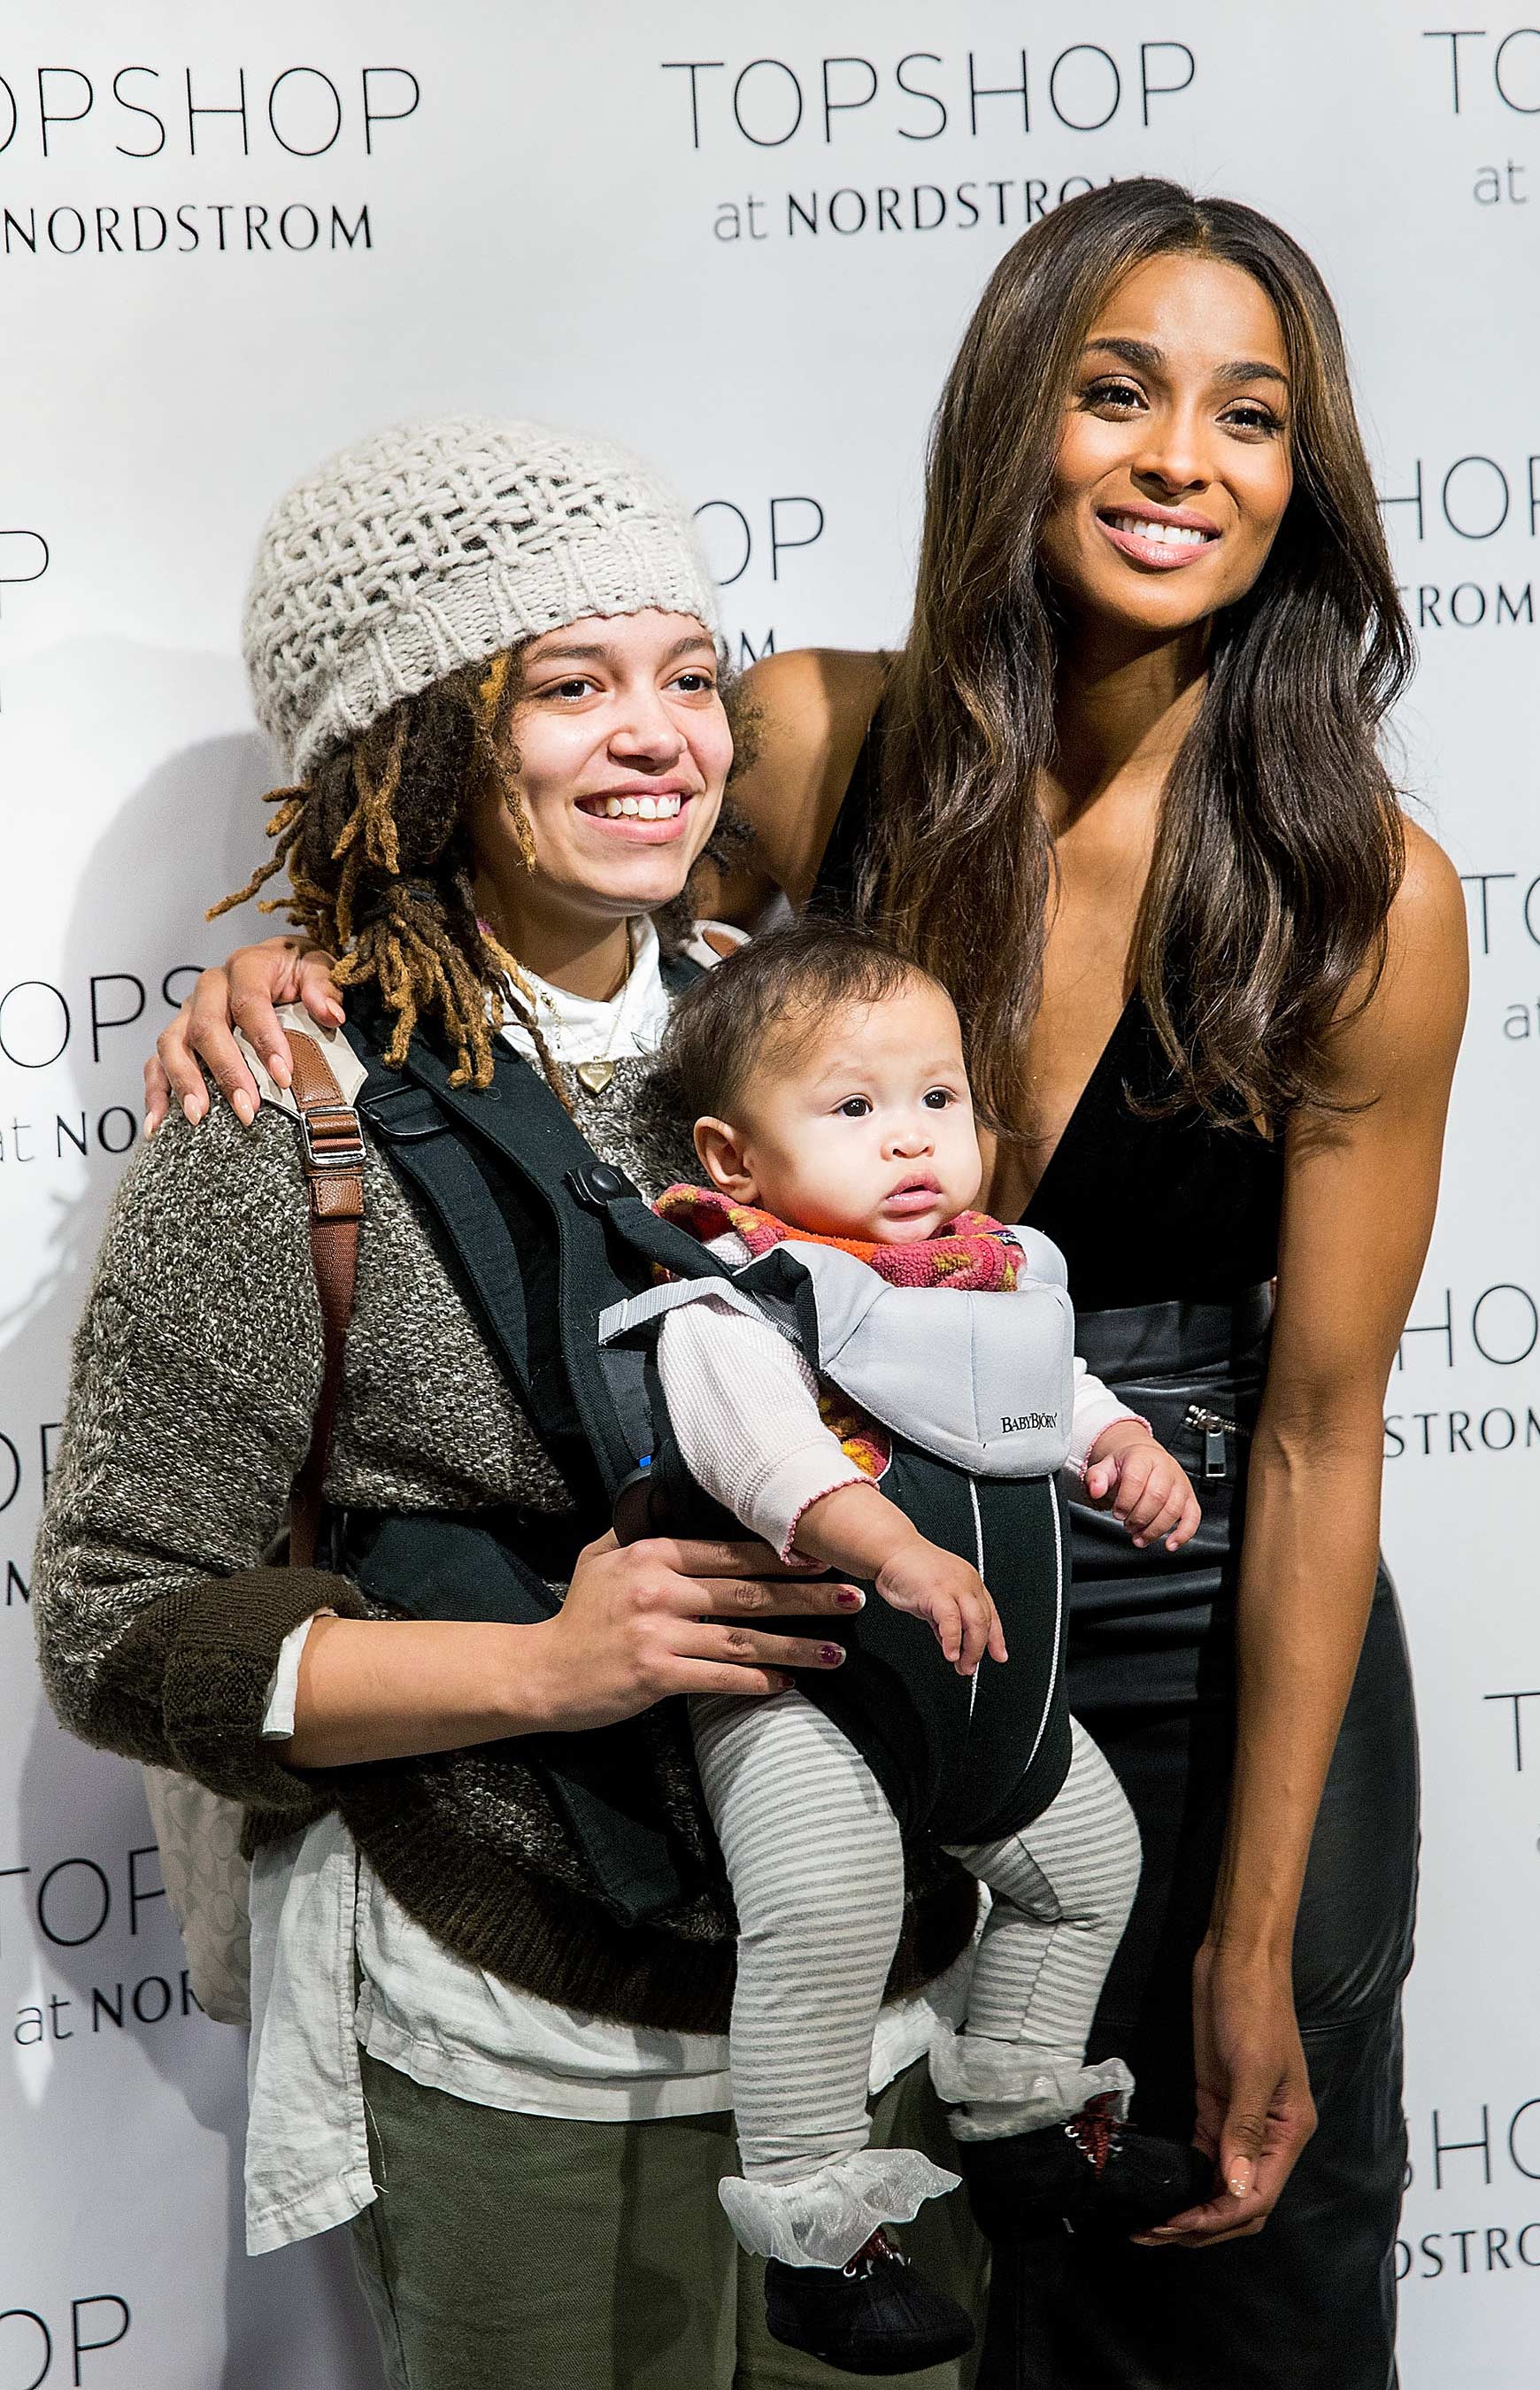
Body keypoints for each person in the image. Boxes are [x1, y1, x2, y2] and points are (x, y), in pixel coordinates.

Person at [154, 181, 1470, 2389]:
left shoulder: (1367, 893)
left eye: (1251, 418)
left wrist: (1252, 1929)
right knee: (944, 2260)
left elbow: (1329, 1431)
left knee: (1243, 2233)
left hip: (1177, 1560)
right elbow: (549, 914)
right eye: (1117, 390)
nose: (1181, 460)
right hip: (830, 1529)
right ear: (1013, 416)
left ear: (1302, 485)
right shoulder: (818, 738)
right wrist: (303, 953)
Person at [35, 414, 989, 2390]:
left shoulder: (818, 1030)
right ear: (417, 745)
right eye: (569, 685)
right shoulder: (287, 1108)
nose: (659, 734)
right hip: (525, 2026)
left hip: (872, 1999)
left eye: (688, 675)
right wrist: (549, 1671)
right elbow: (123, 1628)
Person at [630, 918, 1203, 2372]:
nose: (912, 1143)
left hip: (992, 1708)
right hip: (816, 1700)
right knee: (825, 1914)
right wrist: (892, 1548)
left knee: (1090, 1870)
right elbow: (768, 1463)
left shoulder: (990, 1281)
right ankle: (827, 2247)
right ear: (735, 1156)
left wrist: (1126, 1444)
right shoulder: (734, 1302)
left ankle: (1020, 2122)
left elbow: (1052, 1393)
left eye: (937, 1098)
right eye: (854, 1107)